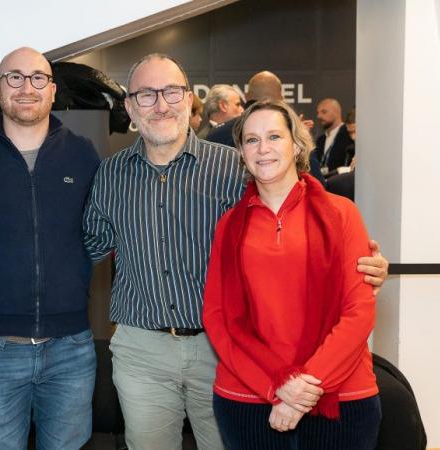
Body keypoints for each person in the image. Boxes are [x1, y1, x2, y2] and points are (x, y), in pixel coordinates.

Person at [83, 53, 388, 450]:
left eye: (171, 91)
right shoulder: (110, 174)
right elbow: (85, 247)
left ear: (189, 98)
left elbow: (304, 226)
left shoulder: (235, 166)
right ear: (129, 107)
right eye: (146, 94)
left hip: (224, 351)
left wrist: (364, 265)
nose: (161, 104)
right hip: (144, 351)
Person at [0, 47, 100, 450]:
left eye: (37, 78)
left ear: (52, 92)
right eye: (14, 77)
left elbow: (99, 233)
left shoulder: (84, 155)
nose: (25, 87)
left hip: (71, 348)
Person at [203, 99, 380, 450]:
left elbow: (358, 311)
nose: (263, 148)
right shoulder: (229, 225)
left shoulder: (342, 214)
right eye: (251, 140)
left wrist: (303, 389)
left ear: (297, 145)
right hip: (249, 396)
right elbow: (218, 318)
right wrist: (276, 386)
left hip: (340, 395)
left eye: (274, 136)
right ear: (241, 152)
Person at [314, 97, 354, 173]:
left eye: (324, 112)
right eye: (318, 113)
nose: (319, 116)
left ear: (336, 112)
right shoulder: (320, 140)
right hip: (323, 182)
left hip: (343, 182)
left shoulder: (349, 134)